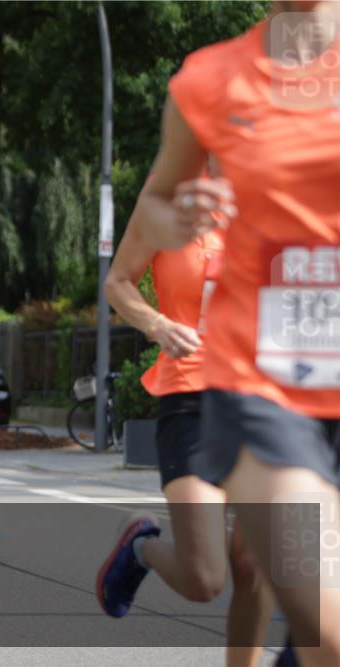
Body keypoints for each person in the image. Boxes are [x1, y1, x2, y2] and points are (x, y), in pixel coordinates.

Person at [132, 4, 340, 663]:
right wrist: (178, 218)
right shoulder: (213, 79)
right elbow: (155, 213)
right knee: (307, 614)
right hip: (263, 390)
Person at [97, 198, 272, 665]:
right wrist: (157, 324)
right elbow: (118, 283)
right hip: (192, 393)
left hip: (270, 402)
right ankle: (141, 548)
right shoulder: (170, 200)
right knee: (204, 579)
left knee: (256, 568)